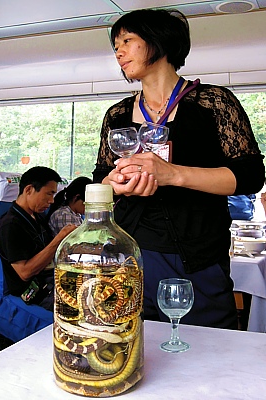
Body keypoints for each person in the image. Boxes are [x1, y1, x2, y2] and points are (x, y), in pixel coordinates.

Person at [92, 8, 265, 329]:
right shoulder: (117, 115)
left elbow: (250, 176)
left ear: (160, 42)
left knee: (210, 352)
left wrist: (173, 174)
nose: (118, 51)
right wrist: (114, 184)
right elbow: (99, 180)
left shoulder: (213, 103)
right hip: (130, 254)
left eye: (127, 40)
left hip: (198, 257)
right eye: (116, 45)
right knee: (132, 349)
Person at [0, 166, 76, 311]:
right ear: (29, 190)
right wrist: (60, 238)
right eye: (49, 194)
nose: (52, 201)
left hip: (51, 277)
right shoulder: (10, 225)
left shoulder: (36, 217)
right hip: (35, 290)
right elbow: (25, 273)